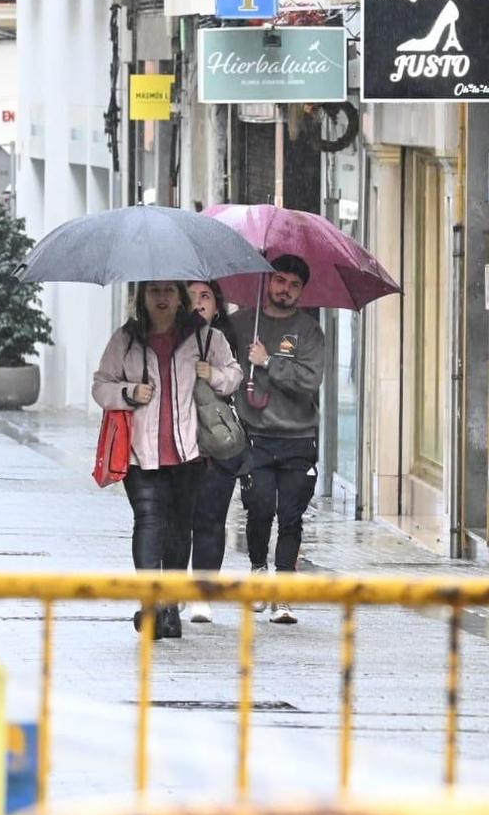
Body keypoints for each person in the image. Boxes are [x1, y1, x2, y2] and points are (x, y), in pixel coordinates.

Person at [92, 280, 242, 640]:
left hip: (188, 453)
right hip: (140, 455)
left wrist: (213, 375)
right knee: (147, 522)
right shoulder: (126, 339)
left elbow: (234, 375)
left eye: (169, 291)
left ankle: (171, 607)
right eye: (154, 291)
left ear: (180, 297)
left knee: (178, 529)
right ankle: (151, 604)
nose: (162, 298)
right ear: (142, 297)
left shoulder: (206, 338)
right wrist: (129, 392)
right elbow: (101, 386)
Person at [232, 254, 326, 625]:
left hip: (298, 439)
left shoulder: (309, 331)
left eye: (294, 285)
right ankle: (258, 569)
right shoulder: (242, 323)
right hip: (255, 437)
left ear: (302, 291)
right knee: (259, 509)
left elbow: (310, 380)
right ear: (268, 281)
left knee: (291, 516)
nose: (285, 289)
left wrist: (269, 362)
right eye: (280, 281)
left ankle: (284, 591)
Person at [172, 279, 246, 624]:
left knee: (211, 519)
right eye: (191, 297)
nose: (199, 303)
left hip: (214, 443)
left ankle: (202, 593)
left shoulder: (219, 339)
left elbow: (235, 378)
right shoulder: (166, 338)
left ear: (217, 305)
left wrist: (212, 373)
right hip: (176, 443)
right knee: (178, 520)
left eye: (206, 296)